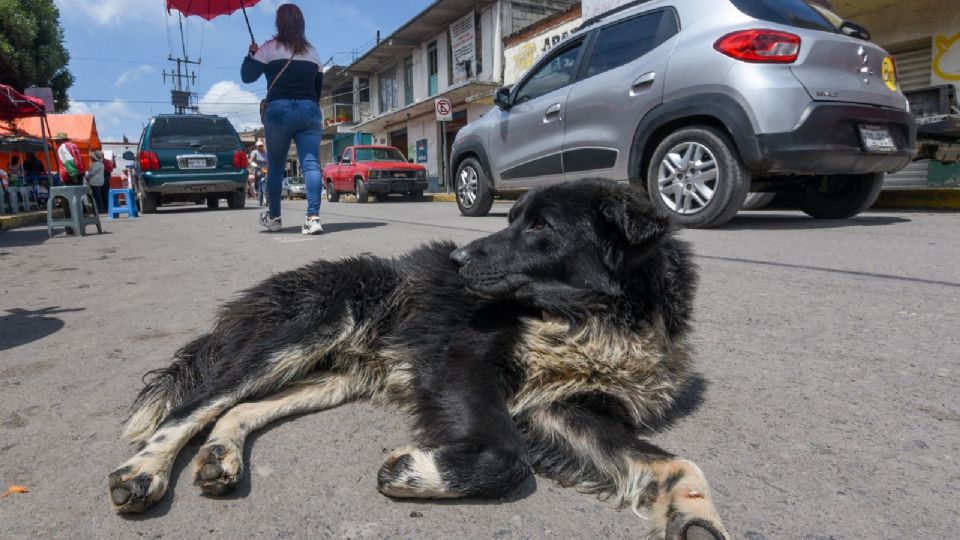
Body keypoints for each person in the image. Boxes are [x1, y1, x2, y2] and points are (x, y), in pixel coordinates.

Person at [241, 3, 325, 235]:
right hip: (309, 110)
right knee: (310, 164)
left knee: (276, 167)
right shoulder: (313, 52)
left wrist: (252, 53)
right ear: (301, 24)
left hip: (278, 112)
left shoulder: (269, 49)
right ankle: (313, 218)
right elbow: (317, 89)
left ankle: (275, 218)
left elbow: (247, 76)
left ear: (279, 23)